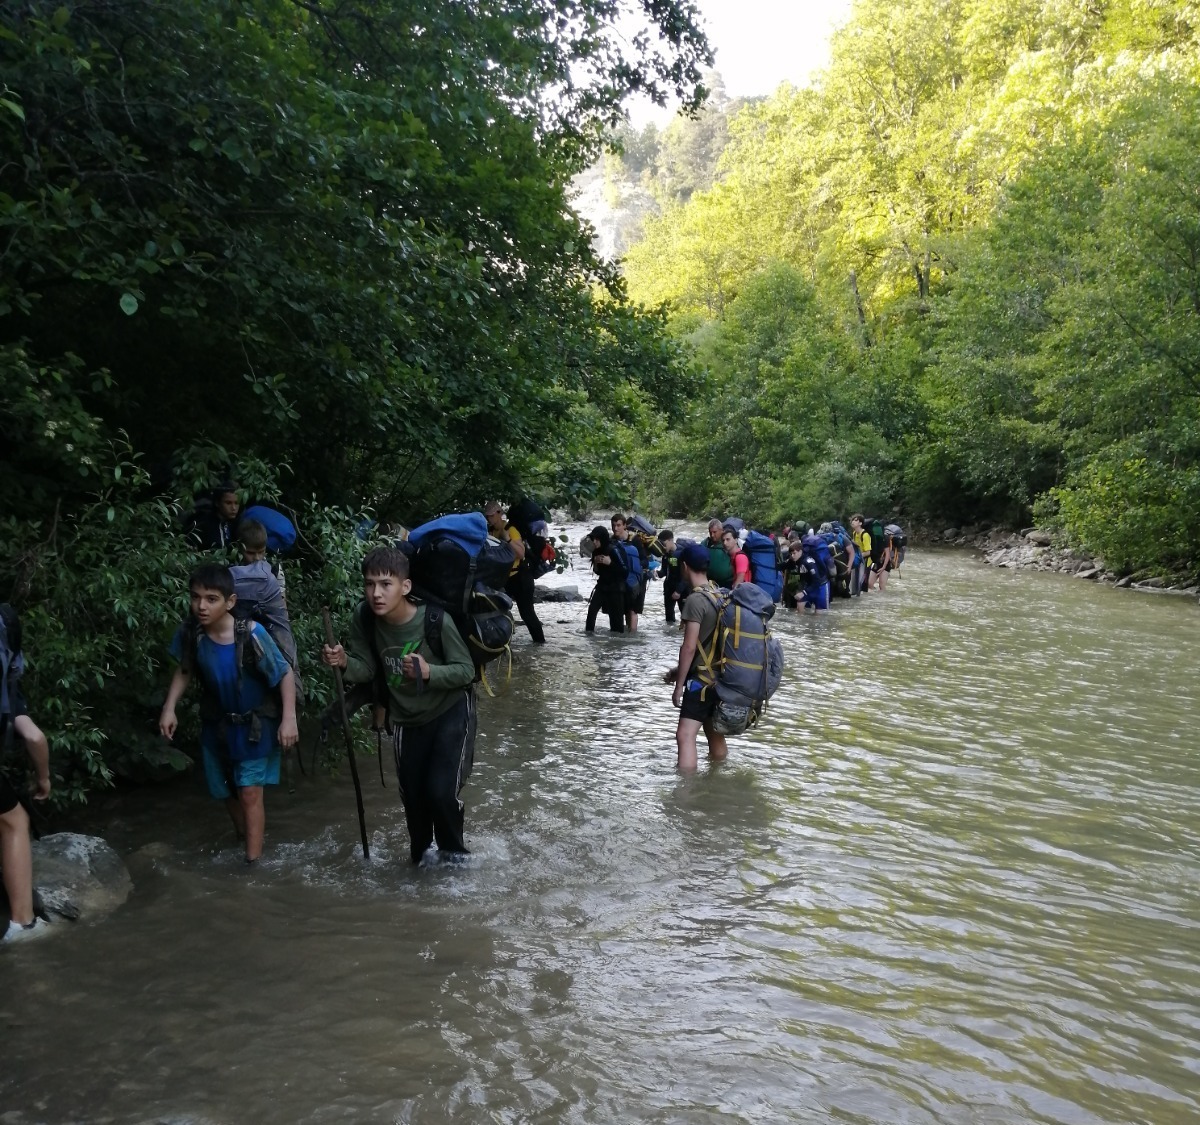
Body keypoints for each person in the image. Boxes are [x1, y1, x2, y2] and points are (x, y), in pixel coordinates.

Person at [321, 546, 477, 865]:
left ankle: (454, 860)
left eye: (385, 584)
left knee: (440, 792)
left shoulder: (435, 620)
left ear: (405, 586)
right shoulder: (364, 617)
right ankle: (419, 862)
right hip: (406, 718)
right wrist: (343, 662)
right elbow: (367, 668)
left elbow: (466, 671)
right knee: (414, 799)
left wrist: (429, 671)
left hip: (448, 710)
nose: (376, 593)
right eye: (369, 584)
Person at [159, 563, 299, 863]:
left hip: (255, 725)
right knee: (226, 790)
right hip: (217, 725)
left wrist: (289, 719)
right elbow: (185, 669)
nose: (201, 606)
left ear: (230, 601)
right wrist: (169, 708)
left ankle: (252, 864)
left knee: (249, 793)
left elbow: (284, 673)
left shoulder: (252, 635)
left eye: (211, 599)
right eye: (196, 597)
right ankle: (244, 838)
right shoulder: (191, 633)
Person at [1, 647, 52, 941]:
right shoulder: (7, 681)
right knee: (14, 820)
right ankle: (23, 924)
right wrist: (43, 778)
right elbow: (34, 736)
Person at [665, 544, 727, 772]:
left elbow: (689, 647)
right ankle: (719, 779)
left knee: (685, 735)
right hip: (721, 680)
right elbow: (710, 643)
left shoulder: (695, 600)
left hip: (701, 682)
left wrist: (679, 686)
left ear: (684, 566)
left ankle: (686, 787)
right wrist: (678, 671)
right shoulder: (719, 593)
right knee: (714, 732)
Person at [483, 502, 544, 644]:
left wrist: (508, 539)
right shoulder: (490, 531)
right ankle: (502, 644)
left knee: (527, 614)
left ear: (499, 514)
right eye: (487, 516)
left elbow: (521, 553)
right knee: (498, 609)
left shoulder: (511, 529)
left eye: (491, 516)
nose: (489, 519)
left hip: (521, 577)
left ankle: (540, 644)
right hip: (505, 578)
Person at [584, 525, 627, 634]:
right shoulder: (596, 551)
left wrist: (610, 563)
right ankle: (588, 636)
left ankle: (617, 641)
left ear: (602, 539)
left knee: (616, 620)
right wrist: (595, 564)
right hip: (602, 586)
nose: (594, 542)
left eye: (596, 539)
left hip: (616, 588)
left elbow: (625, 571)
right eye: (593, 539)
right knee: (592, 611)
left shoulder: (614, 550)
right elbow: (598, 572)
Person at [610, 515, 646, 633]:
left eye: (618, 525)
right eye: (613, 525)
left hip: (637, 580)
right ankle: (626, 636)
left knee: (633, 610)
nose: (615, 528)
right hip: (621, 580)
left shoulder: (635, 540)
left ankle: (632, 637)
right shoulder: (612, 541)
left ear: (625, 525)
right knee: (624, 609)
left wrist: (632, 566)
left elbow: (644, 560)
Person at [185, 483, 241, 551]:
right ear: (217, 503)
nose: (234, 508)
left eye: (236, 503)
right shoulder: (203, 524)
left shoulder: (236, 524)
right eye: (228, 503)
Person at [658, 530, 682, 624]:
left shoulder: (681, 553)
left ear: (670, 540)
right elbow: (664, 571)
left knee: (685, 616)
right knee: (669, 618)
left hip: (681, 590)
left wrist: (679, 591)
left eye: (664, 544)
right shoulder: (666, 555)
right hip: (668, 588)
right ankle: (669, 634)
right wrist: (655, 573)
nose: (663, 547)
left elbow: (686, 576)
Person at [704, 519, 734, 587]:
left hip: (727, 583)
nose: (712, 535)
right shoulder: (706, 543)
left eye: (714, 532)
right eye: (710, 532)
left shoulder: (729, 542)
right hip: (710, 582)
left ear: (721, 530)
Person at [850, 514, 871, 595]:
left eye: (855, 520)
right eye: (852, 520)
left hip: (865, 561)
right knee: (853, 586)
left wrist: (857, 556)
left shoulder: (865, 535)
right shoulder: (854, 533)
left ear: (860, 523)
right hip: (857, 559)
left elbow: (868, 552)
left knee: (860, 585)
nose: (853, 522)